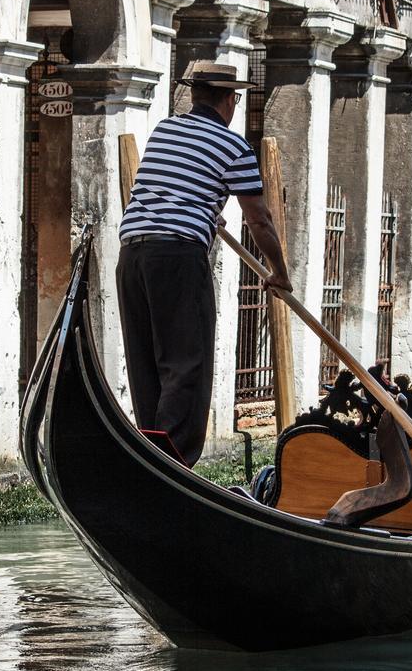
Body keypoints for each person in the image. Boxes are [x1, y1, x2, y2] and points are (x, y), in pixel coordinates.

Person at [117, 62, 292, 466]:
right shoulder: (234, 147)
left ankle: (149, 450)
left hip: (133, 256)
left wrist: (207, 212)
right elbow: (259, 219)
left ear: (194, 97)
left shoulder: (164, 131)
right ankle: (174, 461)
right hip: (178, 258)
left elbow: (175, 191)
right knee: (186, 363)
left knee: (147, 362)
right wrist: (279, 272)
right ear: (230, 100)